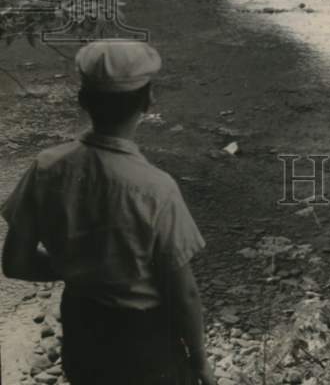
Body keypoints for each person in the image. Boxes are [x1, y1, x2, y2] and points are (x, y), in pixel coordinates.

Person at [1, 40, 217, 385]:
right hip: (143, 340)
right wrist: (201, 364)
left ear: (82, 100)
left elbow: (15, 263)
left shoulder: (45, 168)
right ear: (149, 101)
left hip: (82, 328)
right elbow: (184, 293)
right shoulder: (156, 188)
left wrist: (82, 268)